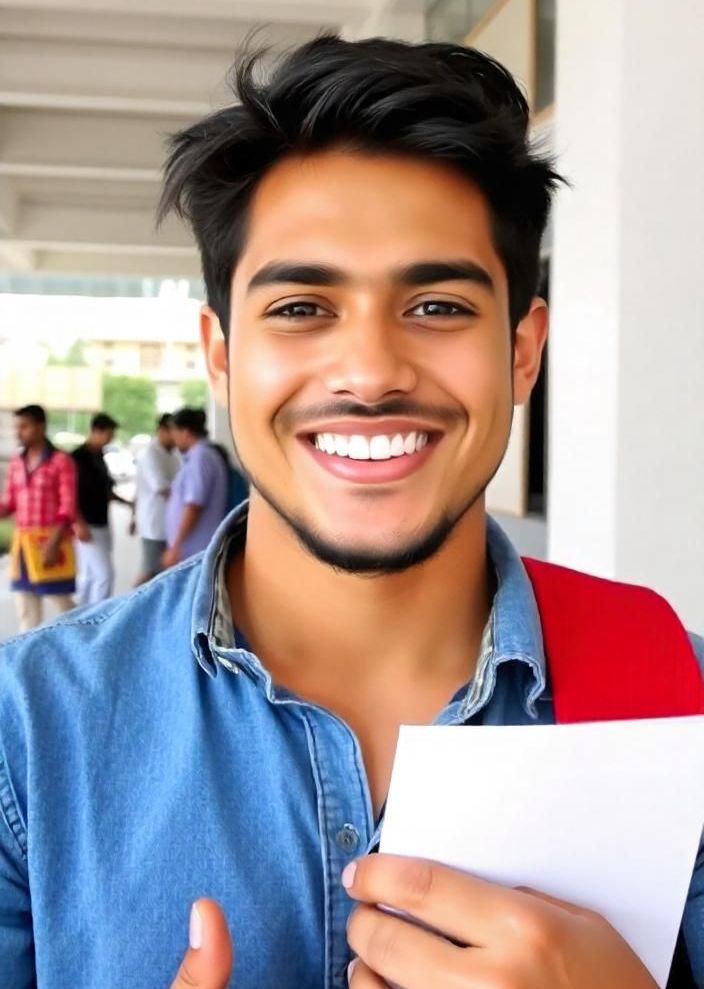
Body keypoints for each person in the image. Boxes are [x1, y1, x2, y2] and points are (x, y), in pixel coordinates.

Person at [0, 36, 701, 989]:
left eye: (440, 305)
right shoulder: (25, 733)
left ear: (524, 349)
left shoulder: (679, 696)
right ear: (220, 351)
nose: (370, 373)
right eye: (299, 308)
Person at [0, 404, 76, 631]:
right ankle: (28, 659)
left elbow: (68, 506)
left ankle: (85, 645)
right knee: (26, 609)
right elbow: (10, 502)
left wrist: (53, 543)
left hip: (51, 544)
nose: (18, 432)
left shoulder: (61, 461)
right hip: (23, 546)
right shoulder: (16, 463)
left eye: (24, 426)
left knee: (63, 606)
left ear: (41, 427)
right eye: (17, 427)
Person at [71, 412, 131, 605]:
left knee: (89, 576)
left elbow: (105, 489)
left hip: (102, 522)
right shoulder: (77, 458)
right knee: (104, 575)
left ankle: (80, 617)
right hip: (86, 524)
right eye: (109, 433)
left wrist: (127, 503)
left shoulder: (99, 456)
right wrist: (78, 523)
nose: (111, 438)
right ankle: (95, 620)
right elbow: (68, 495)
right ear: (96, 431)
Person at [162, 407, 228, 567]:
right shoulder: (199, 456)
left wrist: (176, 545)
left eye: (174, 431)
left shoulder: (201, 458)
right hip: (193, 549)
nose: (173, 437)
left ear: (185, 431)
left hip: (194, 550)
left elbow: (194, 505)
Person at [131, 413, 180, 584]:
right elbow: (162, 488)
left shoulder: (174, 454)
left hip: (169, 523)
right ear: (162, 430)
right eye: (174, 431)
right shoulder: (149, 454)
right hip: (154, 523)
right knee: (150, 571)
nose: (176, 436)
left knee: (161, 572)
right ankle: (131, 605)